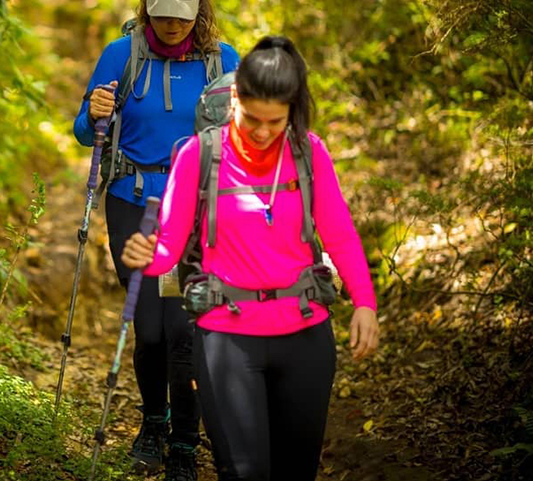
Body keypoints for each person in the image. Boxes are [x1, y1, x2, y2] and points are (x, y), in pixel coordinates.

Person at [120, 36, 379, 481]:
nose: (261, 132)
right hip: (227, 338)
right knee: (244, 471)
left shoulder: (309, 151)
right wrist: (145, 256)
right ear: (234, 96)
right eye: (251, 118)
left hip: (306, 335)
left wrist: (365, 303)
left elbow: (340, 235)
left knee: (295, 472)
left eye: (275, 121)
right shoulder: (197, 155)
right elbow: (169, 249)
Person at [73, 0, 239, 481]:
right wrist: (95, 111)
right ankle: (154, 421)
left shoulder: (223, 61)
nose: (171, 24)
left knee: (183, 329)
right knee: (148, 330)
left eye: (182, 16)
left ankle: (187, 442)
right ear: (147, 4)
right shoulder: (122, 55)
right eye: (163, 13)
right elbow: (84, 131)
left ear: (198, 11)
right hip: (132, 200)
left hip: (197, 206)